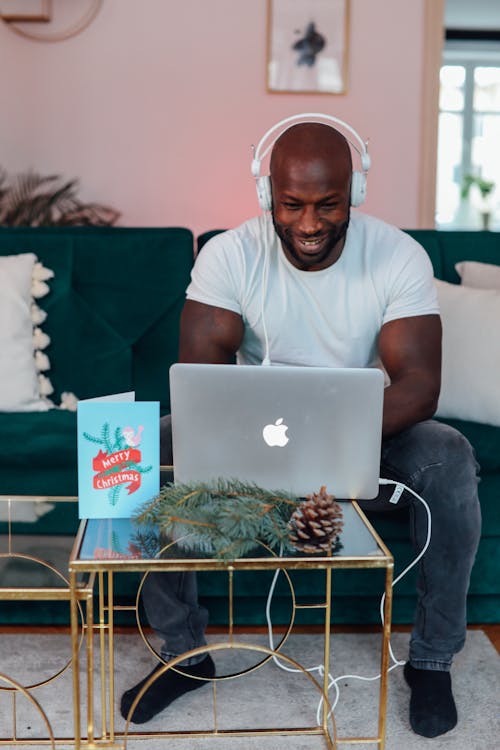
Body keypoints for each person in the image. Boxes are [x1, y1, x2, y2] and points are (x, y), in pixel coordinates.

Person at [121, 119, 481, 738]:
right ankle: (184, 653)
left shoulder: (398, 256)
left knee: (448, 455)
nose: (310, 224)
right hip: (249, 427)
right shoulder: (230, 255)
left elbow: (419, 386)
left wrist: (329, 438)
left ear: (355, 192)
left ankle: (431, 661)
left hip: (366, 426)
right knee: (146, 449)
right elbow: (203, 386)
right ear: (267, 196)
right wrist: (258, 443)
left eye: (327, 204)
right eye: (292, 205)